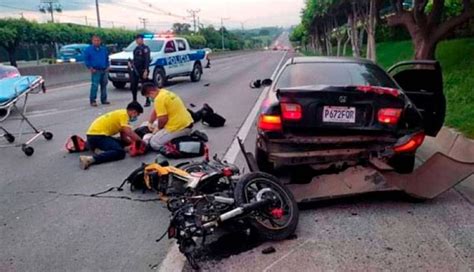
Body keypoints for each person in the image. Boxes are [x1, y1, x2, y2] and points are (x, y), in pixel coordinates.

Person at [79, 102, 144, 170]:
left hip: (94, 135)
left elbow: (124, 138)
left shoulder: (122, 114)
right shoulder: (124, 115)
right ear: (133, 112)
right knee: (120, 152)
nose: (136, 117)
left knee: (120, 142)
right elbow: (129, 132)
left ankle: (98, 149)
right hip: (97, 136)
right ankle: (90, 159)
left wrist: (131, 143)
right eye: (137, 114)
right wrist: (141, 141)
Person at [141, 82, 194, 150]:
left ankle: (181, 141)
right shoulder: (164, 92)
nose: (150, 99)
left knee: (153, 143)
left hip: (180, 127)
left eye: (148, 97)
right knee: (153, 124)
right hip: (187, 122)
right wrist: (150, 122)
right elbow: (156, 111)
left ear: (151, 92)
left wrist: (157, 130)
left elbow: (163, 120)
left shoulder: (159, 99)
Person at [84, 35, 110, 107]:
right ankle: (93, 100)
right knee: (94, 86)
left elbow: (107, 58)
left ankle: (104, 99)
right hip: (95, 70)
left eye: (98, 40)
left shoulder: (103, 49)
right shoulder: (88, 50)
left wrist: (108, 66)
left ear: (100, 41)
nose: (97, 42)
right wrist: (90, 68)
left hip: (104, 70)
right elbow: (86, 60)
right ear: (92, 41)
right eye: (95, 40)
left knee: (104, 85)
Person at [130, 34, 151, 107]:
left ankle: (148, 100)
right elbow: (135, 59)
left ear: (142, 40)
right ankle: (134, 101)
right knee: (133, 85)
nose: (137, 40)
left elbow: (147, 60)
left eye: (138, 39)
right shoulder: (136, 49)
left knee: (145, 86)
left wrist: (146, 70)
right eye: (136, 39)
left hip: (143, 69)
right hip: (135, 69)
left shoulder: (146, 48)